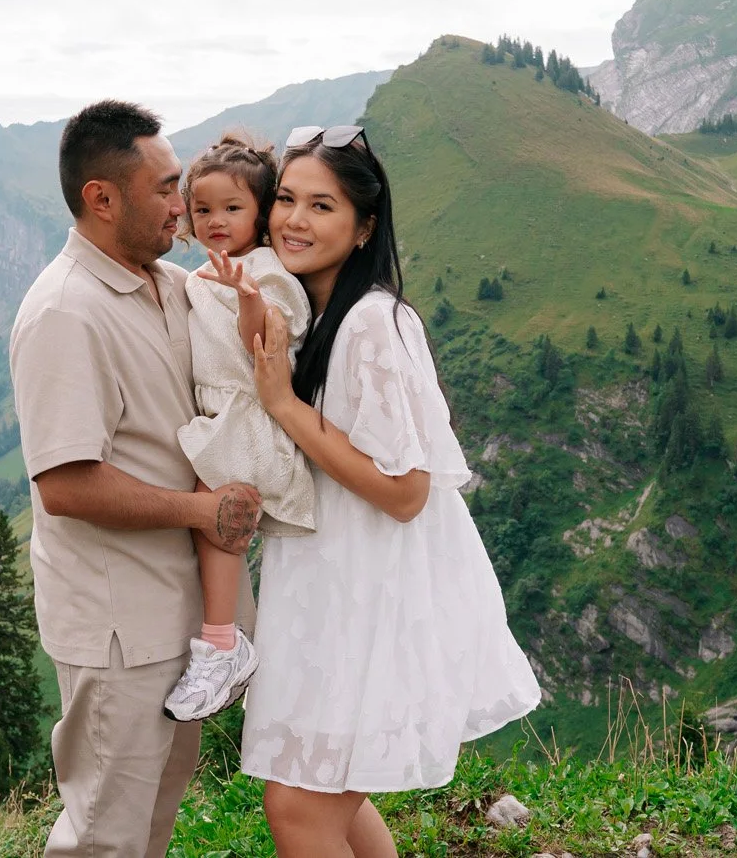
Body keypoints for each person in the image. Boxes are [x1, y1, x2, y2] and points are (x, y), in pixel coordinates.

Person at [226, 123, 542, 857]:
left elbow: (405, 489)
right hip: (336, 587)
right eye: (286, 200)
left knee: (299, 804)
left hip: (369, 593)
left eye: (323, 206)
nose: (294, 220)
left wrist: (285, 405)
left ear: (365, 225)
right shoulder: (317, 314)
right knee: (328, 792)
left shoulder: (372, 322)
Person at [8, 99, 264, 858]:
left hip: (176, 615)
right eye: (164, 186)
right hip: (118, 627)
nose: (181, 204)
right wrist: (202, 510)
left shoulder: (167, 284)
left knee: (149, 825)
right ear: (101, 196)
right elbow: (66, 485)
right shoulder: (65, 311)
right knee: (104, 836)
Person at [162, 134, 315, 723]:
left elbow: (266, 342)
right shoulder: (205, 272)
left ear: (260, 212)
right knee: (211, 525)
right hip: (223, 414)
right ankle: (223, 637)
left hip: (250, 415)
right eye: (203, 210)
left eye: (232, 208)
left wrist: (247, 295)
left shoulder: (265, 272)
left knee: (217, 513)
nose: (215, 221)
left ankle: (222, 645)